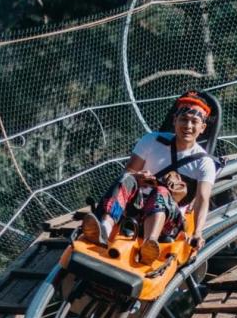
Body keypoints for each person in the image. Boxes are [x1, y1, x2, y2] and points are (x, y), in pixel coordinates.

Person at [81, 91, 217, 262]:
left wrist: (197, 232)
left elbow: (202, 200)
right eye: (184, 119)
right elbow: (129, 172)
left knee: (161, 191)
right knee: (126, 179)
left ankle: (149, 244)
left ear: (203, 128)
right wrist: (138, 177)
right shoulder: (152, 141)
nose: (188, 126)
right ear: (175, 121)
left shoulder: (204, 163)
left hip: (168, 221)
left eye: (194, 122)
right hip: (134, 208)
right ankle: (104, 228)